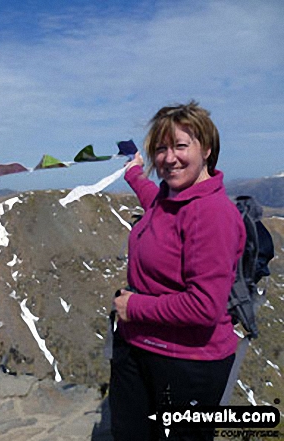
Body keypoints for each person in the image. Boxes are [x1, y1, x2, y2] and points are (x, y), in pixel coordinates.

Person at [109, 102, 246, 440]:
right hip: (140, 349)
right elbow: (152, 198)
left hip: (187, 365)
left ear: (207, 150)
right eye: (160, 149)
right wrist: (133, 172)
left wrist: (133, 307)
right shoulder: (168, 199)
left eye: (181, 146)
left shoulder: (213, 213)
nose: (169, 158)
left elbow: (204, 307)